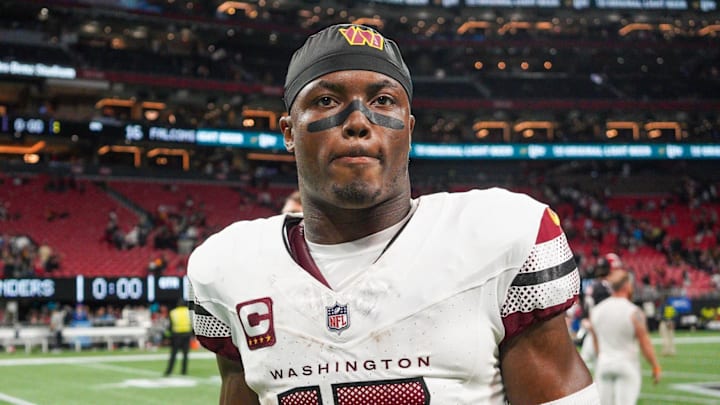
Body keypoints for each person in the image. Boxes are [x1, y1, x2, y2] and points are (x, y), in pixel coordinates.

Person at [188, 23, 598, 404]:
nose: (357, 122)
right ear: (289, 132)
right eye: (326, 100)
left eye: (382, 100)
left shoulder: (501, 236)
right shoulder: (227, 266)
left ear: (408, 127)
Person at [590, 270, 662, 405]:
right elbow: (644, 343)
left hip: (604, 365)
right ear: (627, 286)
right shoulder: (634, 312)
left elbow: (596, 344)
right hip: (627, 365)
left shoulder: (596, 311)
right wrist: (655, 366)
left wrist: (601, 360)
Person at [163, 299, 193, 376]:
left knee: (173, 354)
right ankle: (184, 371)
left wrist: (168, 336)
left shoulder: (173, 312)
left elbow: (170, 325)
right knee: (185, 354)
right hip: (187, 334)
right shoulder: (188, 311)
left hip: (176, 335)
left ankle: (169, 371)